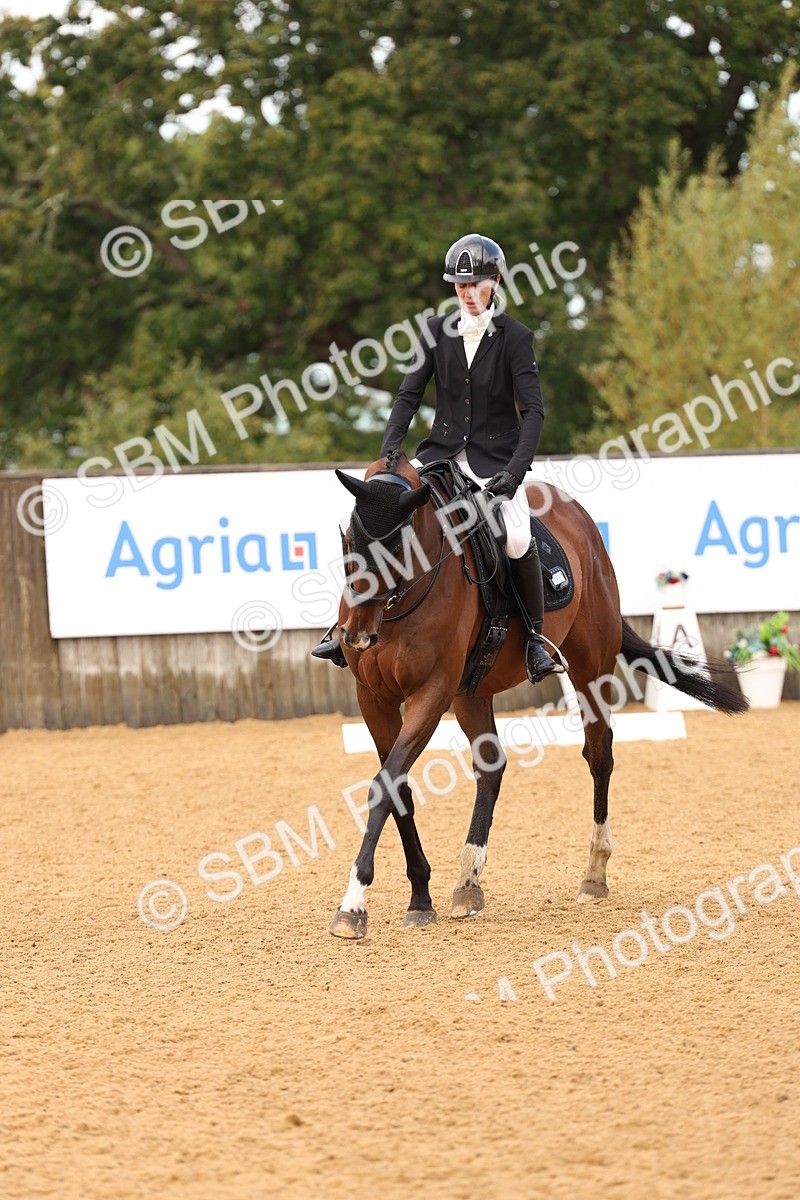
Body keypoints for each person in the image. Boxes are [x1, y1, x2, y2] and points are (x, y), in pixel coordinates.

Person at [313, 232, 564, 685]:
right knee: (381, 522)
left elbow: (534, 412)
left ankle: (535, 640)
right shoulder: (435, 332)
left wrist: (514, 473)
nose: (467, 294)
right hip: (441, 457)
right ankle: (346, 625)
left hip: (495, 464)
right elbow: (409, 394)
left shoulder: (516, 338)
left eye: (476, 285)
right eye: (460, 286)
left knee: (518, 539)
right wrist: (391, 447)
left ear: (496, 281)